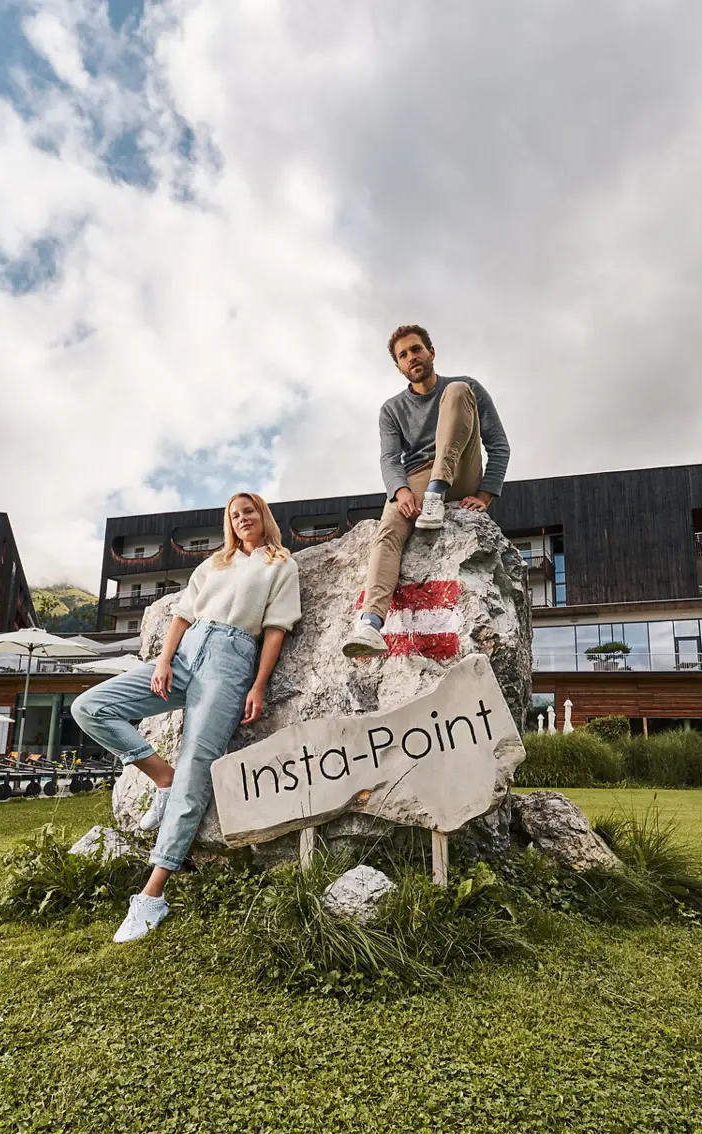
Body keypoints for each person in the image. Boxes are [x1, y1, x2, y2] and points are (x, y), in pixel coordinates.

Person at [71, 492, 301, 942]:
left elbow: (276, 629)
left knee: (197, 767)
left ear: (263, 515)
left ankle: (152, 894)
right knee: (91, 707)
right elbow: (181, 615)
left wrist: (258, 685)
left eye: (248, 512)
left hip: (232, 660)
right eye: (234, 516)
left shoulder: (281, 564)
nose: (241, 520)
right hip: (186, 652)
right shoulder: (214, 563)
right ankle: (161, 778)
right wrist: (162, 660)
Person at [342, 324, 511, 658]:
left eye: (416, 349)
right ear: (399, 366)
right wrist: (400, 492)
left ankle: (436, 493)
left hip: (461, 465)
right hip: (417, 477)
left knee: (460, 390)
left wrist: (486, 495)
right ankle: (370, 625)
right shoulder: (391, 409)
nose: (412, 357)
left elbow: (498, 445)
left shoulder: (467, 388)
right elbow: (390, 459)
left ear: (431, 352)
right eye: (403, 355)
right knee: (388, 528)